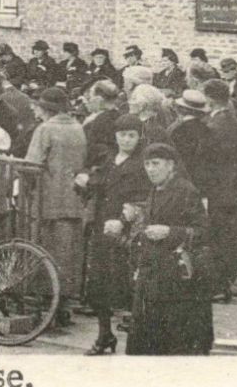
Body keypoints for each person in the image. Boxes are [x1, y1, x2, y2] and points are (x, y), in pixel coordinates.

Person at [126, 142, 212, 356]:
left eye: (156, 163)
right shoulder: (156, 190)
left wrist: (170, 232)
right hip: (154, 274)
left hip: (177, 279)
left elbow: (203, 232)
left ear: (171, 165)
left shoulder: (186, 190)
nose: (150, 169)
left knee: (175, 341)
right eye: (147, 164)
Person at [77, 113, 152, 355]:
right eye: (122, 135)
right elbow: (96, 186)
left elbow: (144, 198)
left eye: (131, 135)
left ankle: (139, 340)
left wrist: (123, 220)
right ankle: (104, 335)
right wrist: (83, 182)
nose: (126, 140)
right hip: (102, 225)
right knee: (99, 282)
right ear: (115, 136)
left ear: (139, 136)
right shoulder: (109, 158)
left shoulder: (144, 162)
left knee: (129, 284)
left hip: (128, 229)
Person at [25, 87, 86, 323]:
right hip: (72, 199)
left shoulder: (45, 129)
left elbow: (32, 164)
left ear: (46, 108)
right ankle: (62, 305)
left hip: (48, 200)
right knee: (67, 253)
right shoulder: (77, 127)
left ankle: (43, 306)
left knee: (45, 250)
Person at [199, 79, 237, 303]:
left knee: (216, 235)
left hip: (217, 188)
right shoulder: (234, 123)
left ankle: (217, 285)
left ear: (209, 98)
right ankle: (223, 284)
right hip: (232, 186)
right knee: (226, 235)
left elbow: (208, 160)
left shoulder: (214, 125)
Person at [80, 79, 126, 169]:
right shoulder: (121, 116)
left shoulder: (96, 121)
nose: (87, 101)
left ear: (98, 99)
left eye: (90, 97)